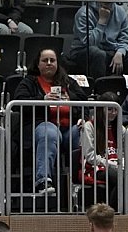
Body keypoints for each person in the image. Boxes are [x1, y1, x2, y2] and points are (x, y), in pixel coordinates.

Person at [13, 47, 88, 199]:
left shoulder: (68, 82)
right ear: (38, 64)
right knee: (50, 132)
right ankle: (43, 181)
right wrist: (43, 100)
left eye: (52, 60)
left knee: (84, 131)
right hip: (41, 126)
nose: (49, 63)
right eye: (45, 60)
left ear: (57, 64)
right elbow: (18, 103)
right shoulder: (29, 82)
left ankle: (85, 177)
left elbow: (84, 102)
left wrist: (82, 116)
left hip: (69, 128)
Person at [68, 0, 128, 78]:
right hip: (82, 51)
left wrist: (120, 52)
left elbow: (125, 39)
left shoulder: (121, 12)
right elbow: (89, 42)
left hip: (111, 49)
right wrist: (102, 21)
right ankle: (99, 87)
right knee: (98, 54)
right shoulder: (84, 12)